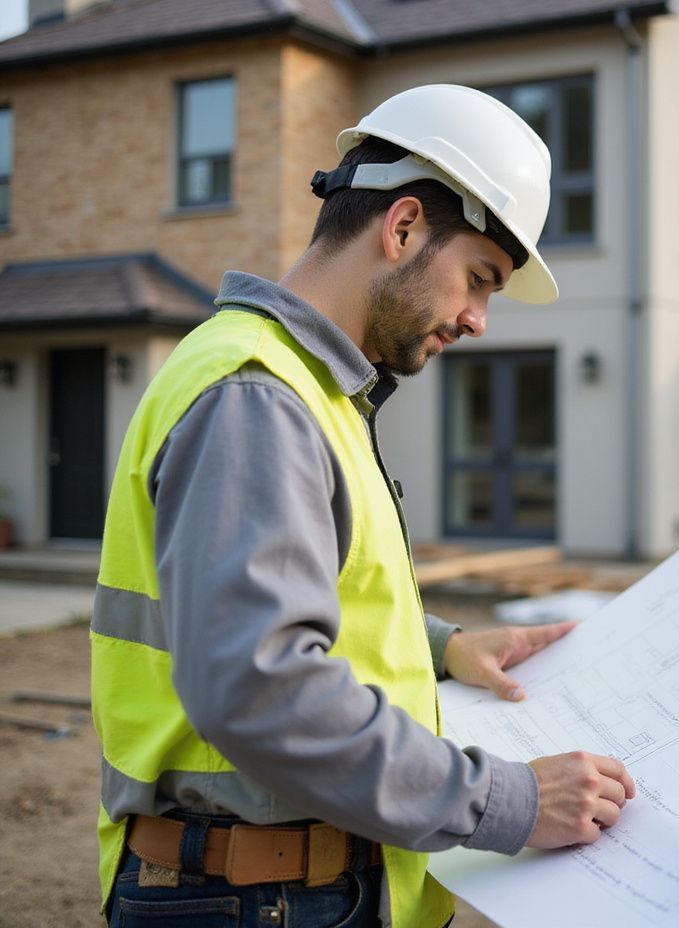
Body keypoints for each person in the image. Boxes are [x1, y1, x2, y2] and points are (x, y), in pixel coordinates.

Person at [91, 84, 635, 928]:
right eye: (479, 279)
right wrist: (512, 801)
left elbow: (283, 598)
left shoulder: (303, 390)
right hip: (256, 898)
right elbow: (258, 685)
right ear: (404, 226)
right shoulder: (259, 398)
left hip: (278, 891)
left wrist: (443, 648)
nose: (479, 320)